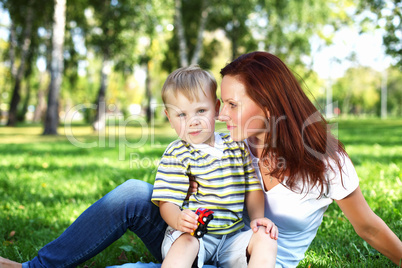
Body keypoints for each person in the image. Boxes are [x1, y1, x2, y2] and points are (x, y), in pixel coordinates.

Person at [1, 51, 401, 268]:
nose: (220, 116)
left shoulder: (326, 162)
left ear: (269, 103)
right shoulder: (233, 143)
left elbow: (369, 228)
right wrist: (184, 201)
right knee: (132, 193)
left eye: (230, 104)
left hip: (250, 256)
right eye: (219, 104)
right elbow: (182, 177)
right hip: (198, 239)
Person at [152, 65, 278, 268]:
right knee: (186, 243)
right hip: (195, 236)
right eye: (181, 115)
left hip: (231, 238)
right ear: (169, 117)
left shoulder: (236, 146)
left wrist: (257, 219)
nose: (193, 121)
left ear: (217, 109)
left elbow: (253, 188)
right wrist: (177, 219)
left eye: (201, 110)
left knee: (264, 237)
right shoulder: (178, 153)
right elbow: (167, 201)